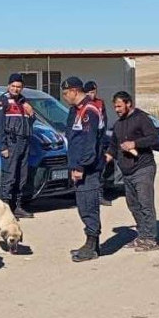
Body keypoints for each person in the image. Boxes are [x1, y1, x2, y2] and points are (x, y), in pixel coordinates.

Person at [105, 91, 159, 252]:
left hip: (143, 168)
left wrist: (135, 143)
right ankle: (142, 235)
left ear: (129, 103)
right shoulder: (119, 124)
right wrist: (107, 157)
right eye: (115, 106)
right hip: (126, 172)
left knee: (145, 203)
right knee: (133, 204)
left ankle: (150, 239)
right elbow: (113, 145)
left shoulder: (141, 118)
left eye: (119, 106)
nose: (116, 109)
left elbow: (154, 138)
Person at [62, 77, 105, 262]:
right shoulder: (76, 110)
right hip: (79, 166)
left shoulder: (89, 111)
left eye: (65, 93)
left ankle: (92, 245)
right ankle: (91, 243)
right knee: (83, 205)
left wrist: (80, 166)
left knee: (89, 205)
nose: (64, 97)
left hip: (88, 169)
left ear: (74, 91)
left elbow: (89, 143)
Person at [0, 73, 36, 219]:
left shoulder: (24, 102)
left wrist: (31, 113)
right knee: (9, 176)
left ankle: (17, 207)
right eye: (13, 86)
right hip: (11, 143)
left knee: (22, 176)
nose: (16, 89)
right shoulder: (2, 101)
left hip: (24, 142)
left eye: (19, 87)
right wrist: (3, 146)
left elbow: (30, 121)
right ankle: (5, 210)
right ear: (8, 86)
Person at [84, 80, 112, 207]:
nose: (91, 94)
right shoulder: (82, 105)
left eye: (93, 92)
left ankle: (100, 195)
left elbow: (104, 120)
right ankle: (87, 196)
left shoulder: (100, 103)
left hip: (99, 141)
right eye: (89, 92)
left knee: (100, 168)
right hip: (87, 140)